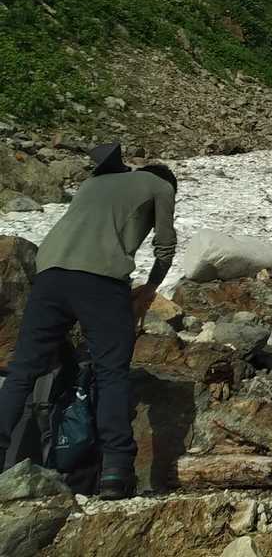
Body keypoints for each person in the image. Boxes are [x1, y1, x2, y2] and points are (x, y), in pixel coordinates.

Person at [0, 144, 178, 500]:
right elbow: (165, 247)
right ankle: (115, 471)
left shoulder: (94, 183)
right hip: (101, 281)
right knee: (111, 372)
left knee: (22, 372)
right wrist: (150, 287)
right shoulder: (162, 186)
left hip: (49, 275)